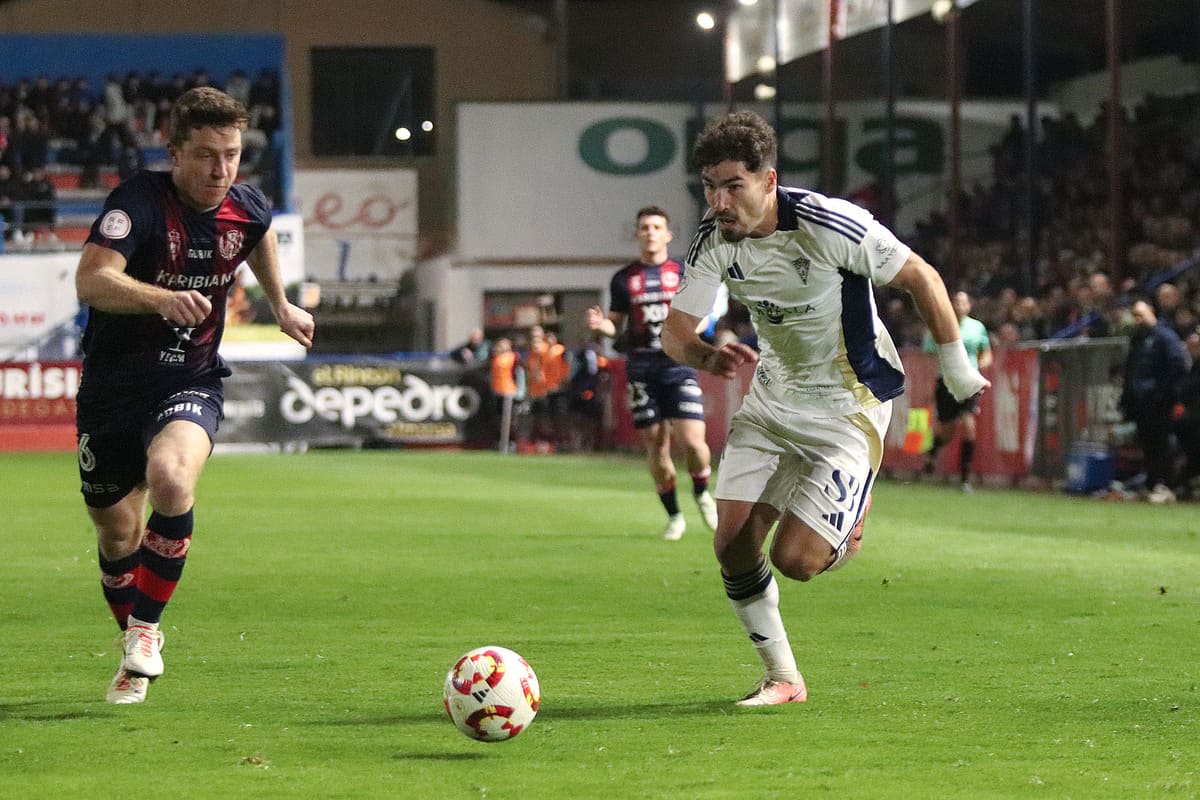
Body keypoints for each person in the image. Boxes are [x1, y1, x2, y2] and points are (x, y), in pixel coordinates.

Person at [662, 111, 988, 706]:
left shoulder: (829, 223)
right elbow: (675, 335)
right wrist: (708, 359)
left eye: (733, 185)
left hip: (848, 406)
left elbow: (922, 277)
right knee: (730, 545)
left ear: (769, 180)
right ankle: (783, 678)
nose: (719, 201)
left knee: (797, 561)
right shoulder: (713, 240)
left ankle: (849, 513)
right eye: (710, 186)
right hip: (772, 400)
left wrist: (956, 366)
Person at [74, 87, 315, 705]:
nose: (221, 171)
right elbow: (91, 280)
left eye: (231, 155)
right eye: (207, 155)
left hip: (190, 380)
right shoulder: (138, 203)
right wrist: (159, 296)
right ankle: (132, 639)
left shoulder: (245, 203)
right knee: (116, 535)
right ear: (173, 152)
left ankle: (144, 636)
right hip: (112, 391)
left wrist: (281, 303)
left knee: (172, 478)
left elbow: (257, 230)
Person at [587, 205, 718, 541]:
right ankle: (674, 517)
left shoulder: (683, 272)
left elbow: (703, 313)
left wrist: (694, 330)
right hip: (642, 368)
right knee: (657, 446)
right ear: (637, 234)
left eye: (657, 227)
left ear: (668, 234)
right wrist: (602, 327)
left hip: (678, 364)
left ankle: (702, 489)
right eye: (644, 227)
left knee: (692, 441)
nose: (650, 232)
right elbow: (614, 324)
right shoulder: (623, 278)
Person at [921, 290, 993, 491]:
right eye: (956, 302)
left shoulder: (976, 327)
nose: (960, 305)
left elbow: (986, 351)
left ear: (969, 305)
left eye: (963, 302)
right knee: (947, 430)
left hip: (969, 382)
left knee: (969, 425)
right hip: (947, 381)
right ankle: (933, 453)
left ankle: (965, 477)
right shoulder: (940, 324)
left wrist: (983, 364)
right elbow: (929, 354)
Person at [1120, 299, 1189, 504]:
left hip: (1158, 402)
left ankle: (1165, 485)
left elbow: (1177, 364)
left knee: (1161, 444)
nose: (1137, 319)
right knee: (1148, 444)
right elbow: (1132, 369)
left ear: (1151, 311)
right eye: (1135, 315)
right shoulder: (1139, 339)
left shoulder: (1164, 336)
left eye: (1140, 313)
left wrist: (1163, 392)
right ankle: (1152, 484)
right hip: (1142, 403)